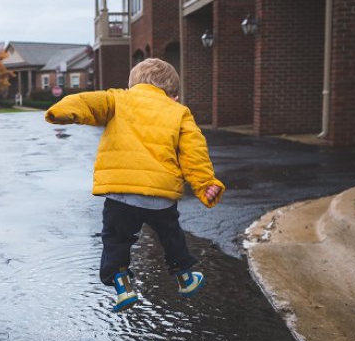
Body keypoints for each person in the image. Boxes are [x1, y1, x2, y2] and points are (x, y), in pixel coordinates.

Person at [45, 58, 225, 312]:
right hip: (159, 195)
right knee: (170, 234)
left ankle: (123, 284)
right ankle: (185, 277)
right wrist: (205, 184)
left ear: (132, 84)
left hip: (121, 194)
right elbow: (193, 152)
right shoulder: (179, 112)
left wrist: (62, 111)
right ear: (172, 93)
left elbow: (87, 102)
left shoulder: (119, 99)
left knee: (116, 239)